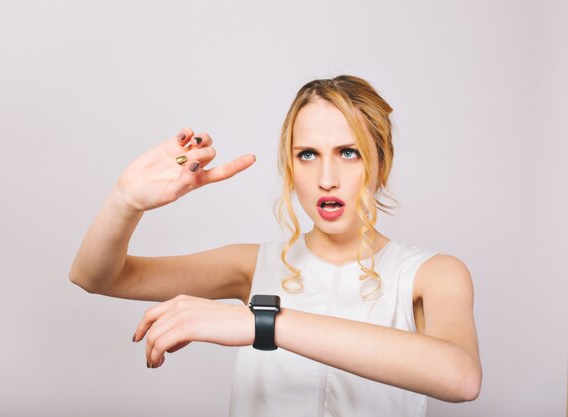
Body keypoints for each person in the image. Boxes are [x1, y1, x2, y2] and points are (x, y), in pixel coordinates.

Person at [69, 75, 482, 417]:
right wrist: (125, 201)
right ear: (290, 165)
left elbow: (461, 377)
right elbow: (96, 276)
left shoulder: (434, 274)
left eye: (349, 153)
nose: (326, 177)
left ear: (381, 163)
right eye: (307, 154)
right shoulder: (253, 265)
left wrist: (261, 323)